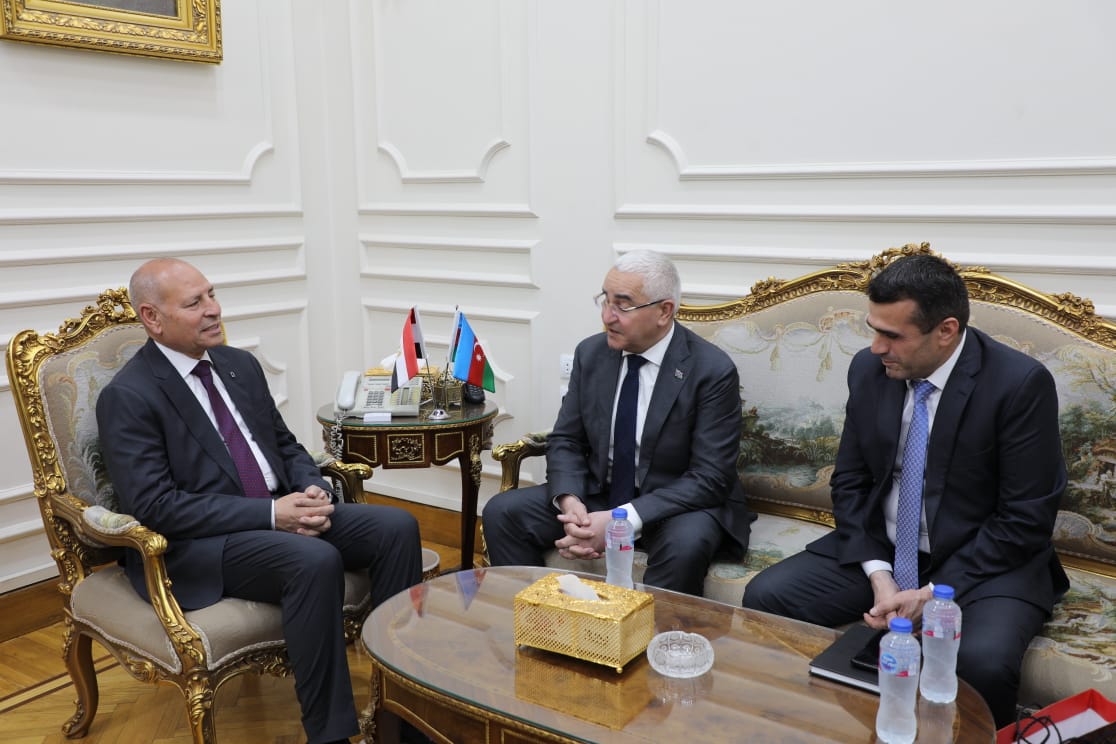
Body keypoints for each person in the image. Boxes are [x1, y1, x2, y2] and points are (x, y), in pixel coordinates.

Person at [96, 258, 423, 744]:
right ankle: (330, 735)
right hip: (205, 543)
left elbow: (284, 445)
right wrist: (272, 514)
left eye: (211, 294)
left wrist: (311, 487)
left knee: (397, 528)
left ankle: (402, 714)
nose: (214, 309)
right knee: (312, 559)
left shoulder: (239, 365)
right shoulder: (129, 395)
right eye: (195, 303)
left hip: (281, 508)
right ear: (153, 318)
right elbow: (157, 506)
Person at [742, 253, 1068, 727]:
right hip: (888, 549)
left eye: (893, 336)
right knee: (768, 596)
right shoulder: (869, 369)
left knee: (981, 662)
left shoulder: (1018, 384)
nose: (877, 347)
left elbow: (1025, 518)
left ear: (946, 331)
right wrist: (880, 575)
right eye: (873, 330)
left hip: (987, 562)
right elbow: (850, 481)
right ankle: (821, 727)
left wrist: (933, 593)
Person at [483, 250, 753, 595]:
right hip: (601, 493)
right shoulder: (592, 354)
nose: (607, 316)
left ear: (664, 311)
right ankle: (539, 617)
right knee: (503, 512)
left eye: (622, 305)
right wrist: (571, 504)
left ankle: (650, 630)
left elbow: (710, 478)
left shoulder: (711, 370)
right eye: (605, 300)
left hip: (677, 504)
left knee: (686, 545)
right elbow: (566, 439)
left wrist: (618, 520)